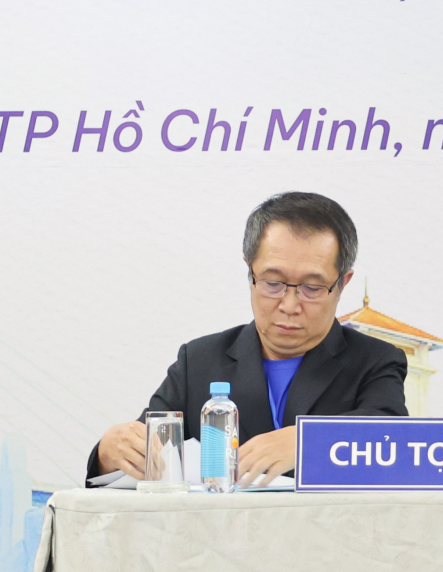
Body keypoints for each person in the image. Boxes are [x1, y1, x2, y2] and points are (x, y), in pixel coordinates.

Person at [91, 191, 408, 485]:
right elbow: (147, 451)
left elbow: (392, 437)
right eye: (272, 283)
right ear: (250, 271)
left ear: (342, 283)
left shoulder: (375, 361)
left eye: (312, 288)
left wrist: (307, 440)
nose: (289, 305)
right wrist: (108, 453)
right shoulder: (199, 361)